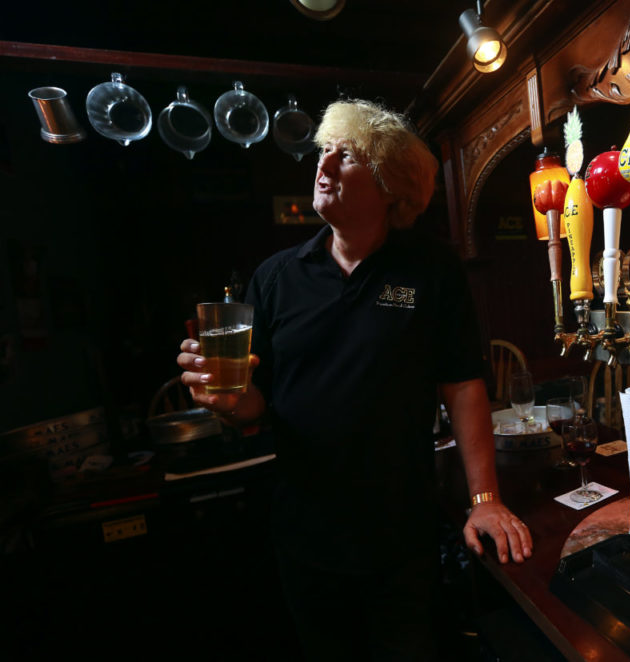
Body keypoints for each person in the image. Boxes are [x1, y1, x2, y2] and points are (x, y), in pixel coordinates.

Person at [176, 98, 533, 660]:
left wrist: (484, 497)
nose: (323, 166)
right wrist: (225, 399)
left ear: (390, 185)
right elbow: (254, 403)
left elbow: (462, 382)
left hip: (401, 537)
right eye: (323, 151)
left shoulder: (430, 270)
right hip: (306, 534)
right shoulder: (275, 278)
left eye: (345, 157)